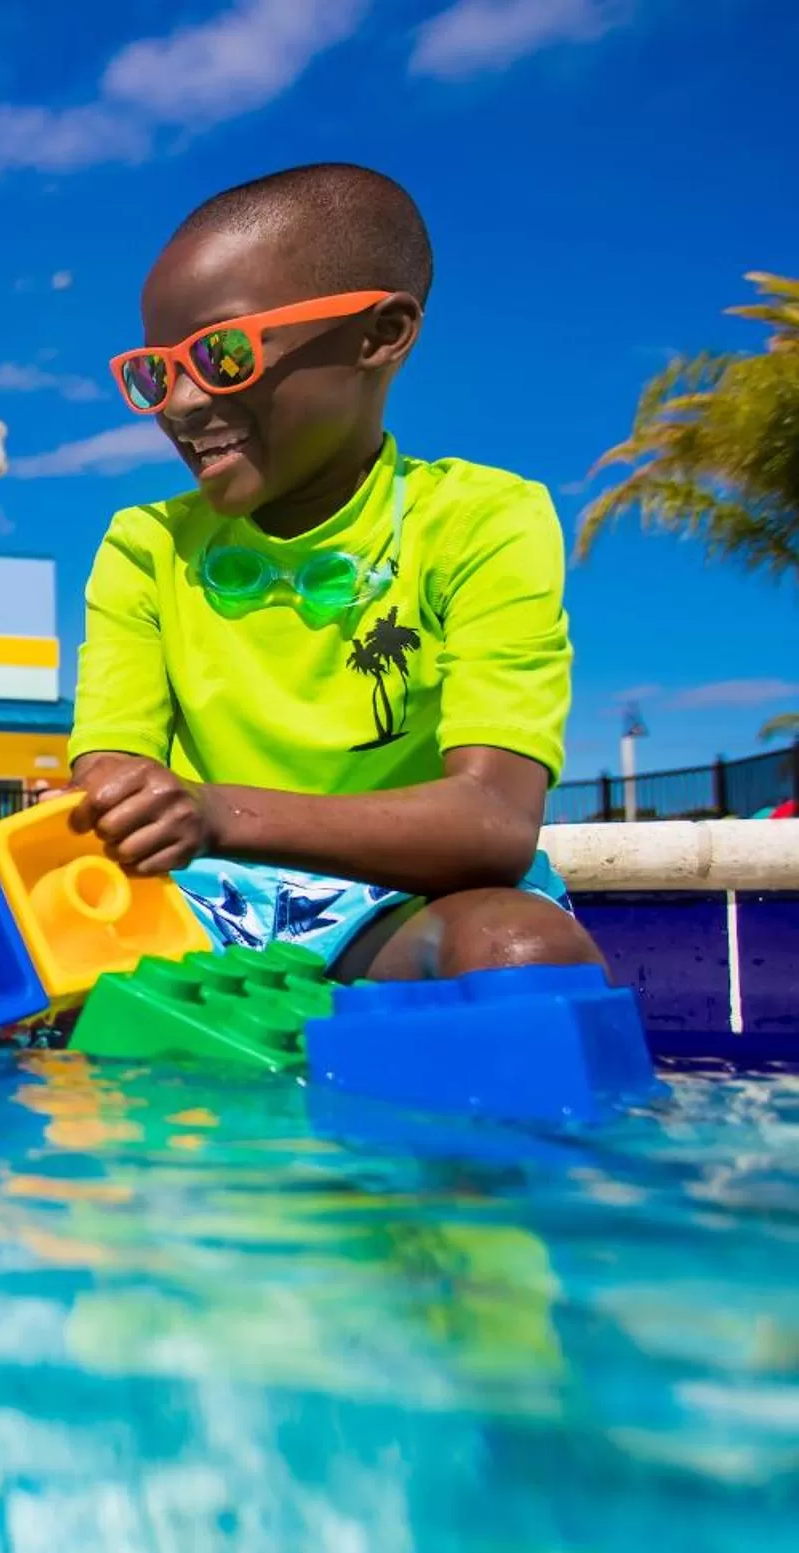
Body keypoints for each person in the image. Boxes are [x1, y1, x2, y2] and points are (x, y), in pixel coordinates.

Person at [67, 162, 604, 982]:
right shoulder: (145, 547)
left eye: (221, 353)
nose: (179, 401)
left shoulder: (482, 519)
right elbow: (114, 778)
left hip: (403, 904)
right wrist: (129, 807)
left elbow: (493, 820)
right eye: (154, 371)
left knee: (516, 949)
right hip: (204, 908)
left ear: (379, 334)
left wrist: (216, 812)